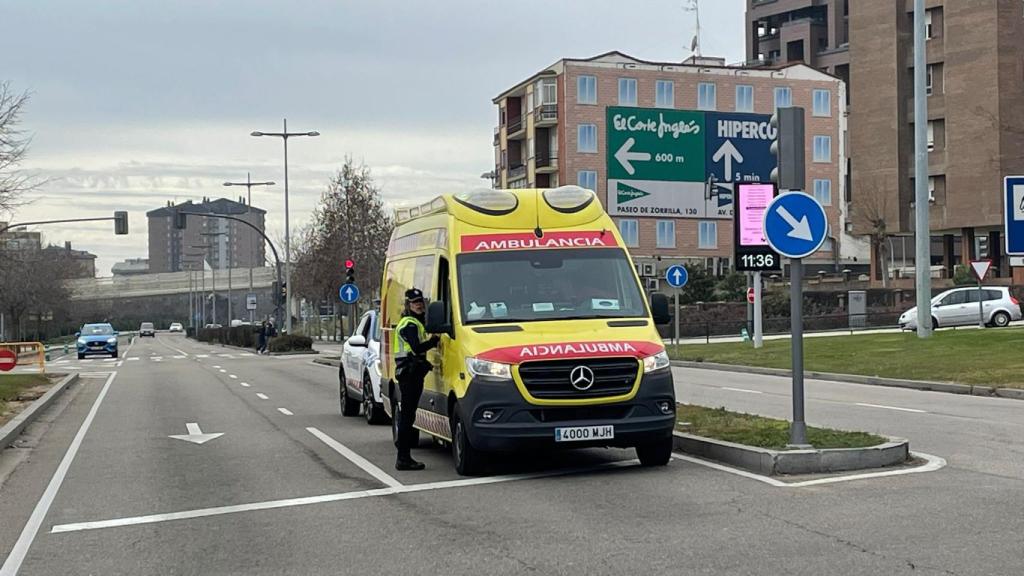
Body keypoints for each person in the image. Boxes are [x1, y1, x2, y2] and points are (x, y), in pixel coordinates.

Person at [393, 288, 440, 471]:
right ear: (408, 305)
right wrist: (434, 340)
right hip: (409, 375)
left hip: (411, 374)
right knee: (407, 417)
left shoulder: (416, 322)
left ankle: (404, 457)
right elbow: (417, 348)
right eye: (415, 302)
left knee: (409, 416)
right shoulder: (410, 324)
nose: (419, 304)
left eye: (420, 301)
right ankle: (403, 458)